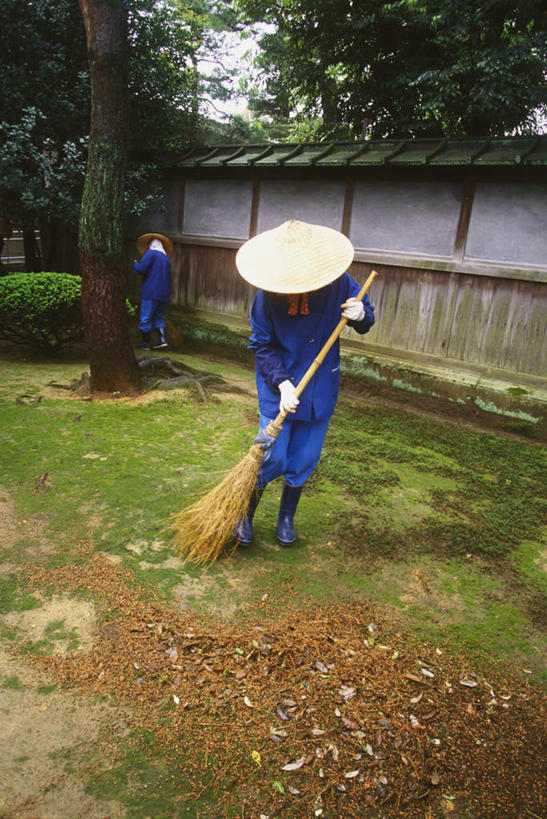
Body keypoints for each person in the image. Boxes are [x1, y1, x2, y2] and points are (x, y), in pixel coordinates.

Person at [234, 219, 375, 548]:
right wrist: (282, 384)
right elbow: (262, 345)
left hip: (319, 389)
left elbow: (365, 314)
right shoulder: (267, 297)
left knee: (305, 457)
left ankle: (286, 517)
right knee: (272, 457)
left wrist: (361, 315)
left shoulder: (340, 282)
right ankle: (245, 513)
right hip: (279, 388)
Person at [133, 232, 174, 350]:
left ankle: (145, 343)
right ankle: (162, 340)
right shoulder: (166, 259)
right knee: (158, 318)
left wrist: (135, 265)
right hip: (163, 294)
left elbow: (141, 269)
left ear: (151, 245)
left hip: (151, 292)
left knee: (145, 317)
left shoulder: (151, 253)